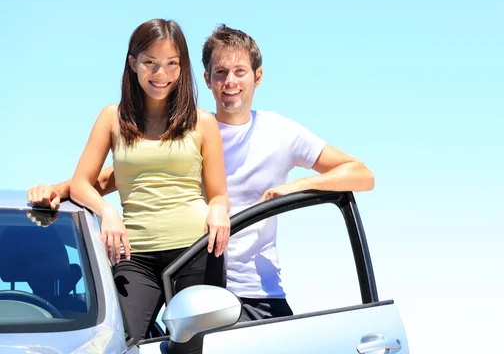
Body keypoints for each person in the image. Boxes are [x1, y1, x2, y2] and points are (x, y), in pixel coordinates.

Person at [28, 24, 373, 322]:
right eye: (220, 73)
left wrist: (298, 187)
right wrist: (57, 191)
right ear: (206, 79)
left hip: (255, 288)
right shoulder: (186, 130)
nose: (230, 82)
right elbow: (114, 177)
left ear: (258, 76)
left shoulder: (280, 132)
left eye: (240, 71)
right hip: (188, 265)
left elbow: (360, 174)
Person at [67, 18, 231, 342]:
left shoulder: (203, 122)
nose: (161, 75)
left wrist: (219, 209)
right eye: (151, 63)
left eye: (172, 64)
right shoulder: (111, 118)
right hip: (135, 256)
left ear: (182, 67)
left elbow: (219, 195)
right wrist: (107, 212)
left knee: (195, 348)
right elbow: (80, 184)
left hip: (195, 249)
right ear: (133, 63)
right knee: (120, 342)